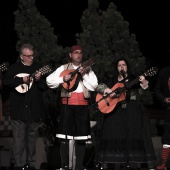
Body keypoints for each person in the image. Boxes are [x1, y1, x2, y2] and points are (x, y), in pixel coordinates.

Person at [94, 58, 156, 170]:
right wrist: (108, 91)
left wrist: (144, 85)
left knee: (132, 134)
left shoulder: (134, 79)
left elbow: (140, 95)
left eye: (124, 65)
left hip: (131, 112)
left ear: (127, 67)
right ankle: (114, 163)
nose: (122, 67)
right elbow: (99, 87)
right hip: (115, 113)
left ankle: (132, 163)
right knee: (114, 133)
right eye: (119, 65)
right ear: (117, 68)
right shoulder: (112, 80)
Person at [46, 45, 98, 170]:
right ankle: (64, 166)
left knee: (81, 138)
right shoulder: (63, 68)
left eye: (80, 53)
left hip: (82, 105)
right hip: (67, 104)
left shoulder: (88, 69)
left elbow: (94, 86)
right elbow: (49, 80)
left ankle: (79, 166)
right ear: (70, 55)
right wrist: (62, 78)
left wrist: (84, 75)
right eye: (75, 52)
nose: (78, 55)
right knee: (64, 136)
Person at [3, 44, 48, 170]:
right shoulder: (14, 68)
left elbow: (45, 87)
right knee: (19, 141)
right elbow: (6, 82)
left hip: (34, 111)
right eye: (28, 56)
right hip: (18, 111)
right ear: (22, 57)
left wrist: (39, 80)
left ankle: (31, 165)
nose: (31, 58)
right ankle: (19, 166)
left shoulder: (39, 68)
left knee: (32, 141)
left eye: (32, 55)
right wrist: (21, 80)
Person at [154, 66, 170, 170]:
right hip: (169, 110)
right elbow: (157, 89)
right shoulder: (165, 71)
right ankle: (164, 163)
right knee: (167, 137)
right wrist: (164, 99)